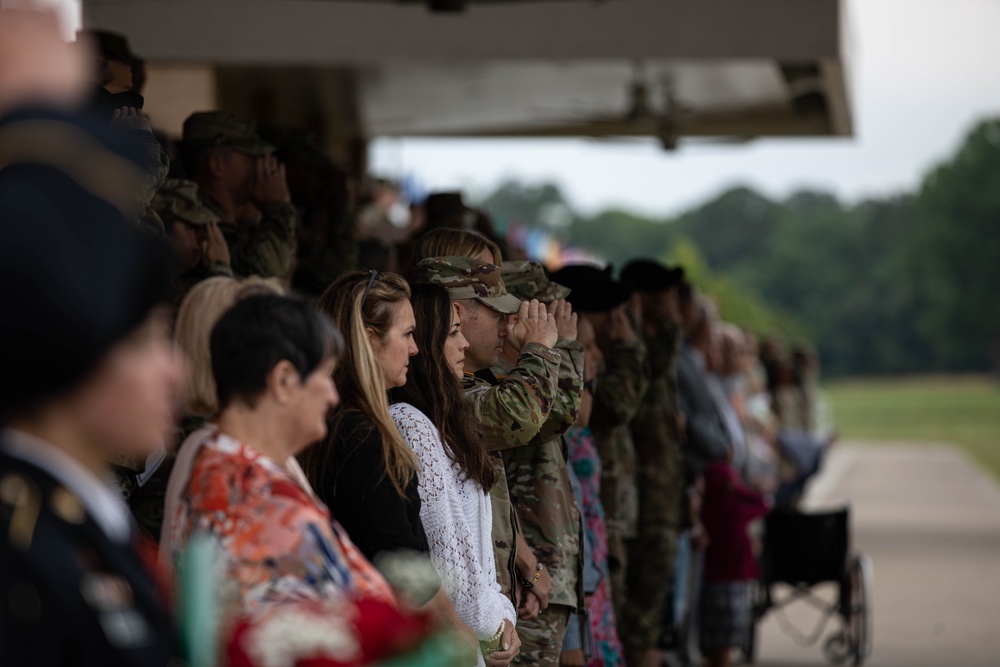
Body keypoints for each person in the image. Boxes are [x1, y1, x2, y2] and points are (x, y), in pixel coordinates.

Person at [0, 59, 184, 663]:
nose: (174, 372)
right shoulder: (26, 560)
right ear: (75, 349)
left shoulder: (81, 524)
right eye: (143, 342)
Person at [167, 293, 395, 615]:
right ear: (284, 380)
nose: (332, 396)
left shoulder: (219, 466)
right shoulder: (260, 499)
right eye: (326, 375)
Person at [410, 256, 562, 621]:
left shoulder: (459, 387)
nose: (507, 327)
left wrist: (522, 558)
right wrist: (541, 348)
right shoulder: (435, 398)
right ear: (457, 311)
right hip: (459, 612)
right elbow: (523, 416)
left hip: (489, 601)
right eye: (497, 314)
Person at [390, 283, 522, 667]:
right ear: (427, 345)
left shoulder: (444, 421)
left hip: (475, 637)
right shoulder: (410, 422)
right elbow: (448, 559)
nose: (464, 344)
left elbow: (481, 561)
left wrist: (505, 621)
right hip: (454, 640)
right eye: (452, 333)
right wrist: (495, 629)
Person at [549, 265, 649, 625]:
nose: (616, 320)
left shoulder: (593, 357)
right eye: (610, 311)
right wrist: (627, 349)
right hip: (599, 511)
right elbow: (614, 406)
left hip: (607, 513)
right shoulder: (580, 361)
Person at [497, 260, 585, 666]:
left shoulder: (526, 365)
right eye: (545, 310)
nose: (556, 319)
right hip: (530, 565)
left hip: (545, 563)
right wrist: (560, 347)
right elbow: (561, 415)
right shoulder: (508, 371)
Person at [617, 259, 687, 667]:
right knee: (640, 613)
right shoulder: (633, 346)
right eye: (663, 294)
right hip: (641, 501)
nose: (672, 302)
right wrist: (671, 325)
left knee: (650, 610)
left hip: (659, 497)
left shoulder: (645, 343)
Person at [565, 318, 625, 667]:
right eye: (588, 345)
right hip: (573, 567)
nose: (598, 354)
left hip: (589, 559)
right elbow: (582, 414)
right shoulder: (563, 418)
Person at [181, 110, 297, 279]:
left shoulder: (238, 220)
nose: (261, 167)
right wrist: (279, 207)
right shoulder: (196, 226)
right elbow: (262, 271)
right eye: (250, 159)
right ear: (217, 165)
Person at [698, 453, 769, 667]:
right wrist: (741, 490)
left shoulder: (706, 513)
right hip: (736, 585)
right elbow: (763, 504)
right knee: (727, 647)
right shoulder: (736, 511)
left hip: (713, 587)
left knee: (714, 646)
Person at [152, 178, 233, 307]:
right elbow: (210, 320)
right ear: (163, 227)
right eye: (192, 227)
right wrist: (220, 270)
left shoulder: (194, 281)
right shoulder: (152, 287)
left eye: (203, 228)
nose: (203, 237)